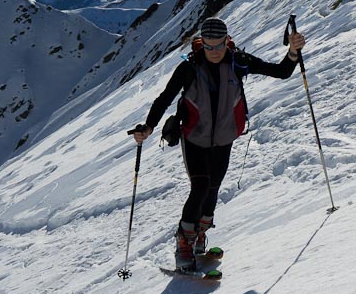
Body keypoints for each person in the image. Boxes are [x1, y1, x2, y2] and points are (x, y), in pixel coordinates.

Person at [130, 16, 306, 271]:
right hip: (194, 138)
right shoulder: (189, 68)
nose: (214, 52)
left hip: (224, 138)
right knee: (200, 187)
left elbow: (280, 72)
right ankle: (184, 242)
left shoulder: (239, 61)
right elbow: (164, 98)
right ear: (202, 44)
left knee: (213, 189)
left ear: (227, 41)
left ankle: (200, 234)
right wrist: (148, 127)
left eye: (219, 45)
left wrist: (292, 52)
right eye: (209, 46)